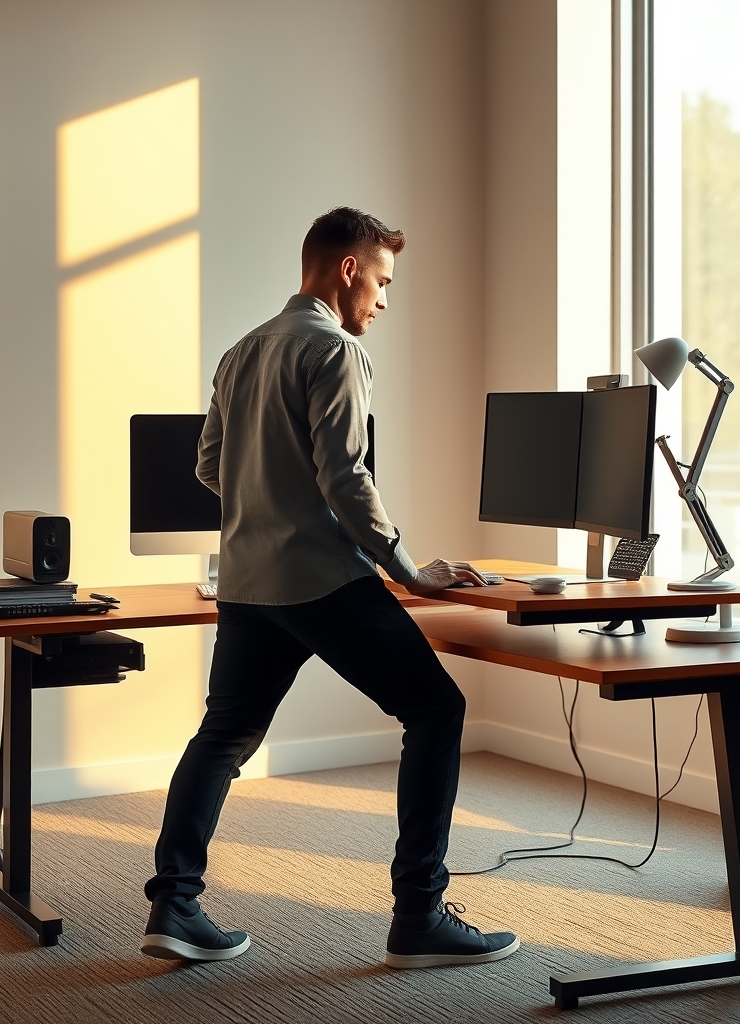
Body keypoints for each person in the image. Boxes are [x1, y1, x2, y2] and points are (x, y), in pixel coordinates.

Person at [141, 207, 519, 970]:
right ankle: (419, 915)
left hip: (248, 584)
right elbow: (347, 476)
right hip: (321, 581)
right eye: (381, 281)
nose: (383, 300)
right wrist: (410, 569)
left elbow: (209, 469)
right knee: (437, 709)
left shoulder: (242, 352)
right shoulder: (335, 350)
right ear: (348, 269)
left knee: (221, 738)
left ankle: (173, 906)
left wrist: (266, 499)